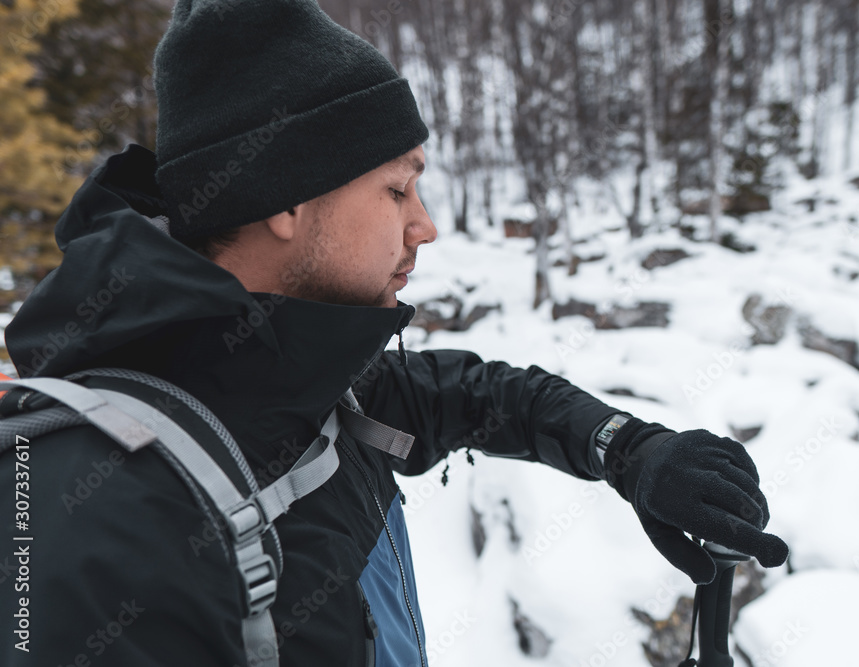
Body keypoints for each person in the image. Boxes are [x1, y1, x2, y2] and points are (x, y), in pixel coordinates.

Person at [0, 1, 787, 665]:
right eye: (399, 188)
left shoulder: (304, 377)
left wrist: (626, 447)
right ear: (284, 198)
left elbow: (477, 395)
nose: (427, 225)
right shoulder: (93, 523)